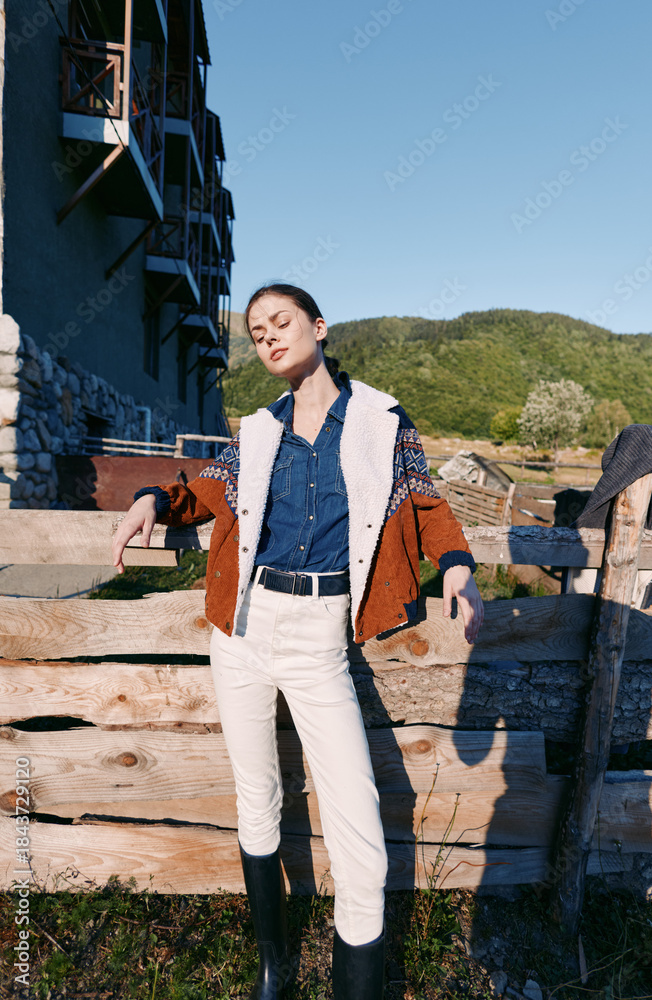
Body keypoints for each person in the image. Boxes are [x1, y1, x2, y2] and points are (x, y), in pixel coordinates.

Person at [111, 283, 484, 999]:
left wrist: (459, 571)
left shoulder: (380, 420)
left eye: (281, 322)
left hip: (320, 637)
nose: (270, 337)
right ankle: (272, 968)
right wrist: (153, 497)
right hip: (244, 630)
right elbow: (205, 492)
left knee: (361, 834)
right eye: (256, 332)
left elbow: (427, 505)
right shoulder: (256, 430)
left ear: (317, 325)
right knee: (258, 797)